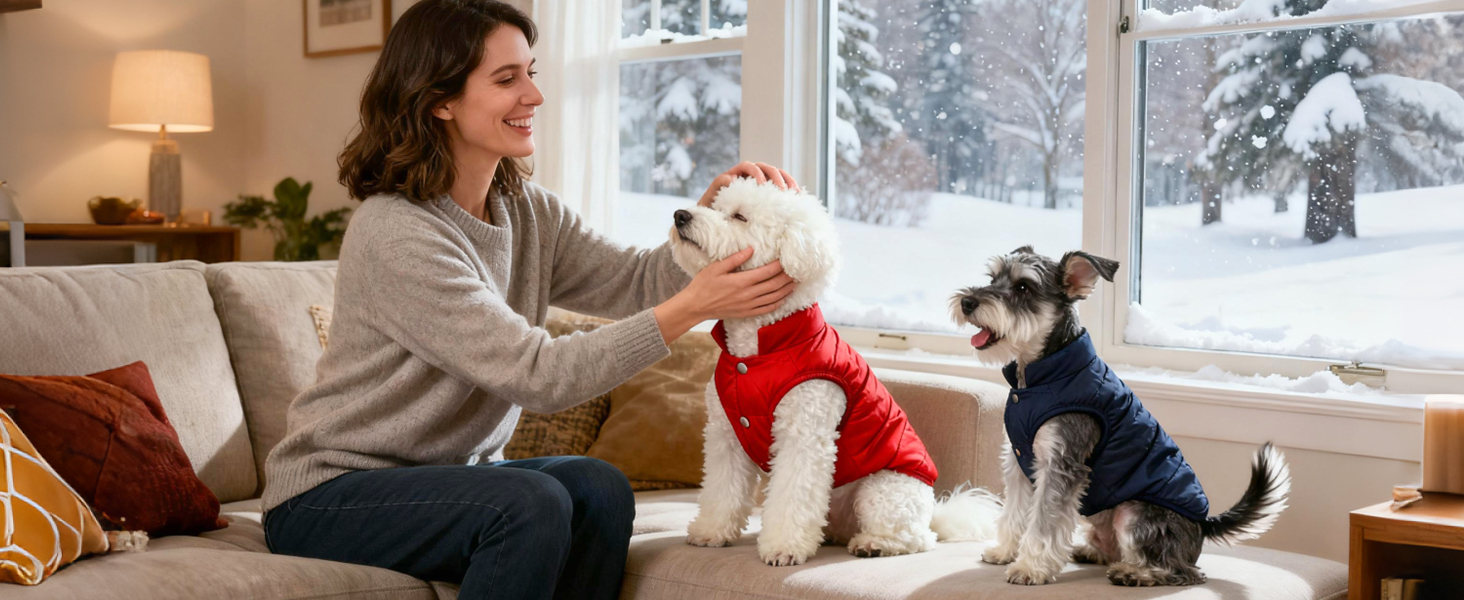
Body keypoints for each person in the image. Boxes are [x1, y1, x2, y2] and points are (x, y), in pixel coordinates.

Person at [260, 1, 798, 598]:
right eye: (506, 79)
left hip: (448, 480)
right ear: (439, 100)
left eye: (531, 72)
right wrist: (695, 306)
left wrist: (705, 218)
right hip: (331, 495)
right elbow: (537, 375)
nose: (535, 96)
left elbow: (637, 282)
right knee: (527, 502)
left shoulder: (526, 209)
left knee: (598, 487)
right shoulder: (396, 230)